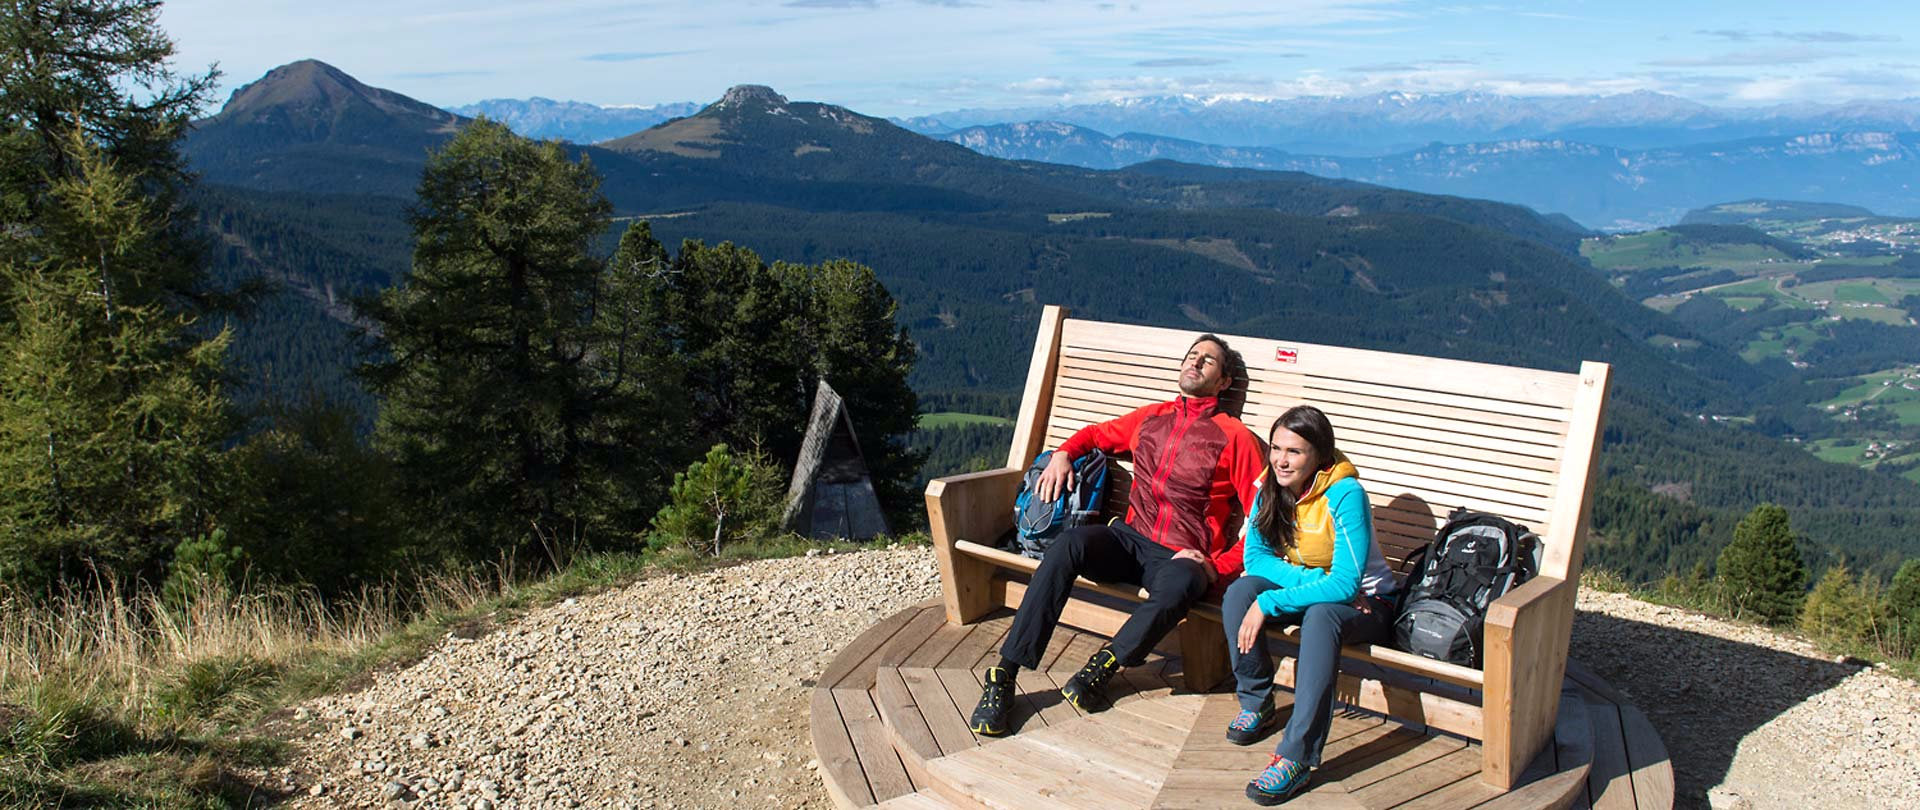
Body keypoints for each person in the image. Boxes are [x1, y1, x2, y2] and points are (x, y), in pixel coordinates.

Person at [969, 334, 1265, 737]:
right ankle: (1005, 673)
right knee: (1070, 545)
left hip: (1180, 557)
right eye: (1191, 356)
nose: (1195, 363)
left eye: (1208, 361)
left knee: (1185, 581)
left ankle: (1104, 666)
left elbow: (1263, 519)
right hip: (1128, 540)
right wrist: (1062, 455)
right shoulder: (1150, 419)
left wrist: (1217, 566)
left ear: (1224, 382)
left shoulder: (1237, 439)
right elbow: (1094, 435)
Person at [1220, 405, 1398, 806]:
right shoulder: (1270, 485)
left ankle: (1297, 755)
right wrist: (1312, 584)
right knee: (1240, 593)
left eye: (1294, 452)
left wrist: (1277, 599)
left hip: (1370, 604)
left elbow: (1350, 584)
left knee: (1320, 617)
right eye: (1276, 448)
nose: (1281, 460)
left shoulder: (1345, 494)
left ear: (1319, 454)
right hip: (1324, 592)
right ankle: (1257, 701)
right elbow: (1257, 560)